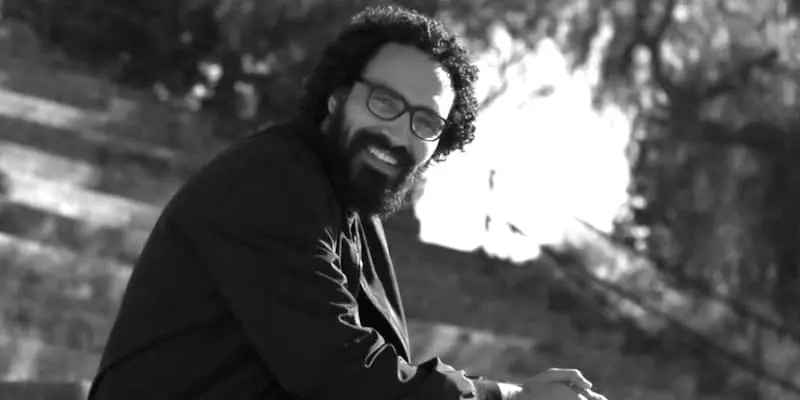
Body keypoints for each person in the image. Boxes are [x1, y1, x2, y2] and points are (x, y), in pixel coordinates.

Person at [88, 5, 608, 400]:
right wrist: (508, 397)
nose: (397, 133)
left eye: (424, 123)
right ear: (337, 95)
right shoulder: (271, 181)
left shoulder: (353, 214)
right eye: (384, 102)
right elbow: (339, 369)